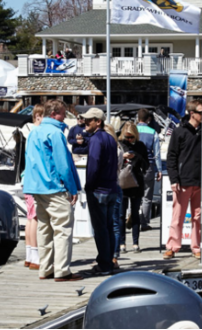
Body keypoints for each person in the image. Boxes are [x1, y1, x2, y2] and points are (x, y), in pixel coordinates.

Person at [23, 99, 82, 282]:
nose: (65, 116)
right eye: (63, 113)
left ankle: (46, 268)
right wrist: (72, 188)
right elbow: (63, 165)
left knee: (44, 228)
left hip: (37, 187)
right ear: (54, 113)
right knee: (62, 228)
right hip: (54, 187)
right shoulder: (55, 133)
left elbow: (30, 161)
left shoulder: (34, 132)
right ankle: (62, 271)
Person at [165, 100, 202, 260]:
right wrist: (174, 179)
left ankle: (196, 247)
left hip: (201, 181)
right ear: (192, 113)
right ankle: (172, 247)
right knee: (178, 216)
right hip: (182, 181)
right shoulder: (179, 131)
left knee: (199, 217)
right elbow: (171, 156)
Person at [82, 107, 120, 276]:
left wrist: (88, 184)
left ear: (98, 122)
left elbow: (94, 164)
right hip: (112, 187)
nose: (85, 122)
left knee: (101, 229)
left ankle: (104, 264)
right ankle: (109, 261)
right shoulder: (111, 139)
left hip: (99, 190)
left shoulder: (96, 139)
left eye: (89, 120)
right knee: (109, 227)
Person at [119, 122, 149, 253]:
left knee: (135, 213)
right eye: (127, 137)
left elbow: (146, 164)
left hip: (136, 182)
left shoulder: (140, 146)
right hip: (122, 183)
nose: (129, 140)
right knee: (121, 214)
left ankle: (135, 243)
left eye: (131, 137)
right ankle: (122, 243)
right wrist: (122, 156)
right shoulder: (119, 145)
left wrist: (136, 156)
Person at [23, 104, 45, 270]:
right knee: (35, 218)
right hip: (34, 180)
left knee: (30, 218)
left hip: (27, 179)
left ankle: (30, 255)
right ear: (38, 116)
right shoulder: (36, 133)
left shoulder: (29, 133)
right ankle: (36, 257)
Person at [137, 108, 162, 233]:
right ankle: (144, 222)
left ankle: (134, 219)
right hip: (148, 166)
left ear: (138, 118)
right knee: (147, 196)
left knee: (134, 195)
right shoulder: (153, 133)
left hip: (134, 167)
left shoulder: (132, 130)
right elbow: (156, 154)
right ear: (149, 119)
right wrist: (159, 170)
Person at [104, 124, 124, 269]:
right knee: (110, 223)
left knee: (113, 223)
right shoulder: (118, 149)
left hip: (112, 187)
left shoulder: (115, 150)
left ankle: (113, 255)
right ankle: (109, 255)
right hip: (113, 186)